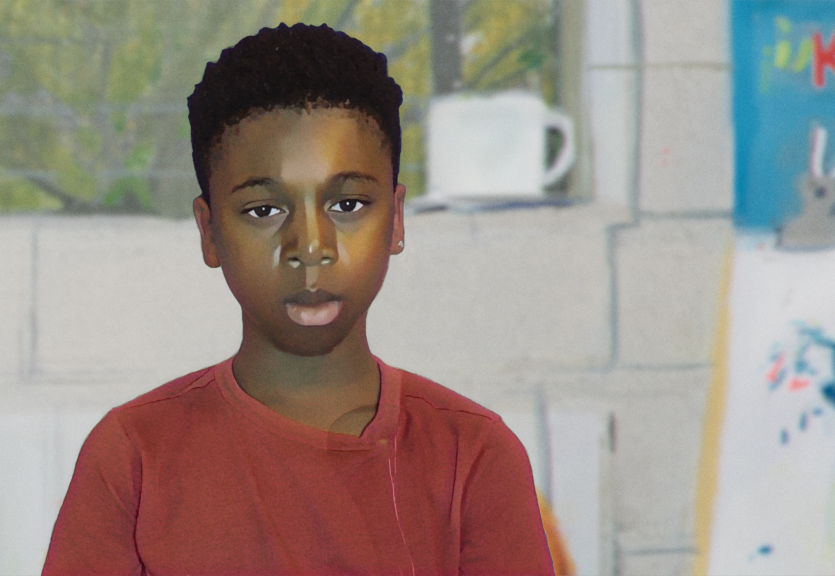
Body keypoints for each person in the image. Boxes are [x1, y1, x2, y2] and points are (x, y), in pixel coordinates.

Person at [43, 22, 554, 576]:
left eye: (349, 205)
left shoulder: (473, 455)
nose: (310, 247)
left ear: (397, 220)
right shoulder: (132, 457)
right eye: (264, 210)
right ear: (209, 232)